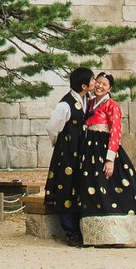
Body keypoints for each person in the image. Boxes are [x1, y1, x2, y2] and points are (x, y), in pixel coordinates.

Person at [78, 71, 136, 230]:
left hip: (103, 148)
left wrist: (110, 159)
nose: (100, 86)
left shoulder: (112, 106)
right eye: (98, 82)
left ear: (109, 88)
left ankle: (116, 230)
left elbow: (115, 132)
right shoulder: (89, 103)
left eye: (104, 84)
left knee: (109, 185)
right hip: (89, 149)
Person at [42, 66, 94, 245]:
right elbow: (52, 127)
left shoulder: (88, 100)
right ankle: (70, 231)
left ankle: (80, 228)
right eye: (92, 80)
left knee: (80, 186)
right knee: (66, 187)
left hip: (83, 151)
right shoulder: (65, 104)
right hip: (68, 152)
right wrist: (61, 144)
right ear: (84, 85)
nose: (94, 83)